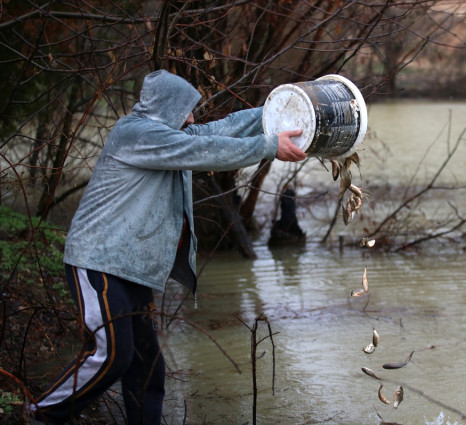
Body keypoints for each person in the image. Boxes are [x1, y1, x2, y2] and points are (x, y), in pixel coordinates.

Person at [30, 70, 306, 424]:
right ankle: (39, 415)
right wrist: (269, 146)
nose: (192, 118)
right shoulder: (135, 134)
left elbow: (221, 130)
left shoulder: (168, 135)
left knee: (146, 365)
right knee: (112, 354)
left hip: (132, 269)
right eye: (186, 109)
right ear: (166, 107)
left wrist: (280, 111)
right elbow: (200, 149)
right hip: (97, 262)